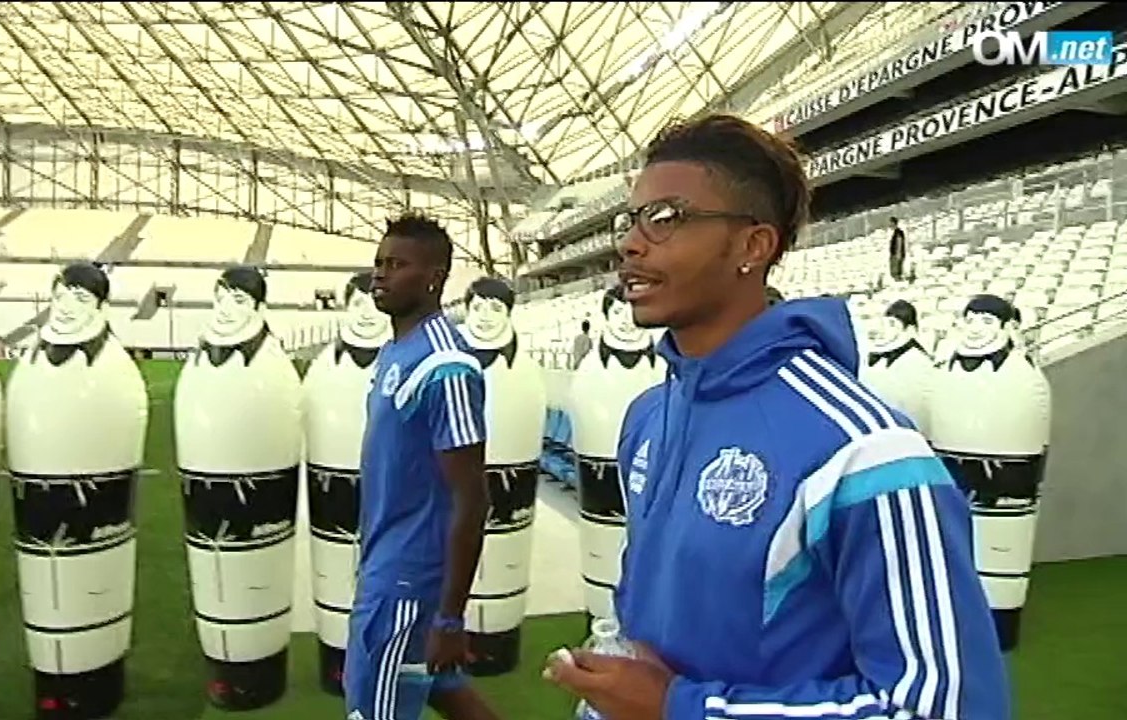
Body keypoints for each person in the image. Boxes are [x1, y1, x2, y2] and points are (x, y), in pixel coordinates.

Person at [544, 114, 1010, 719]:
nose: (631, 244)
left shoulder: (865, 449)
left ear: (753, 246)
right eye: (629, 221)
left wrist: (684, 708)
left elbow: (942, 707)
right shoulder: (649, 418)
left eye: (666, 218)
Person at [346, 213, 501, 720]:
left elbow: (472, 497)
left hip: (407, 582)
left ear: (434, 276)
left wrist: (451, 617)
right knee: (446, 689)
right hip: (386, 562)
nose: (380, 275)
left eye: (396, 264)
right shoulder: (397, 351)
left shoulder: (445, 367)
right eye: (378, 263)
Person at [889, 216, 907, 282]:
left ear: (894, 223)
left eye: (891, 223)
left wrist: (898, 254)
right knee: (895, 270)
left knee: (896, 271)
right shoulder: (896, 232)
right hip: (896, 254)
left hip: (896, 254)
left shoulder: (898, 232)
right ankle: (898, 281)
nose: (890, 225)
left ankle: (898, 282)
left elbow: (899, 243)